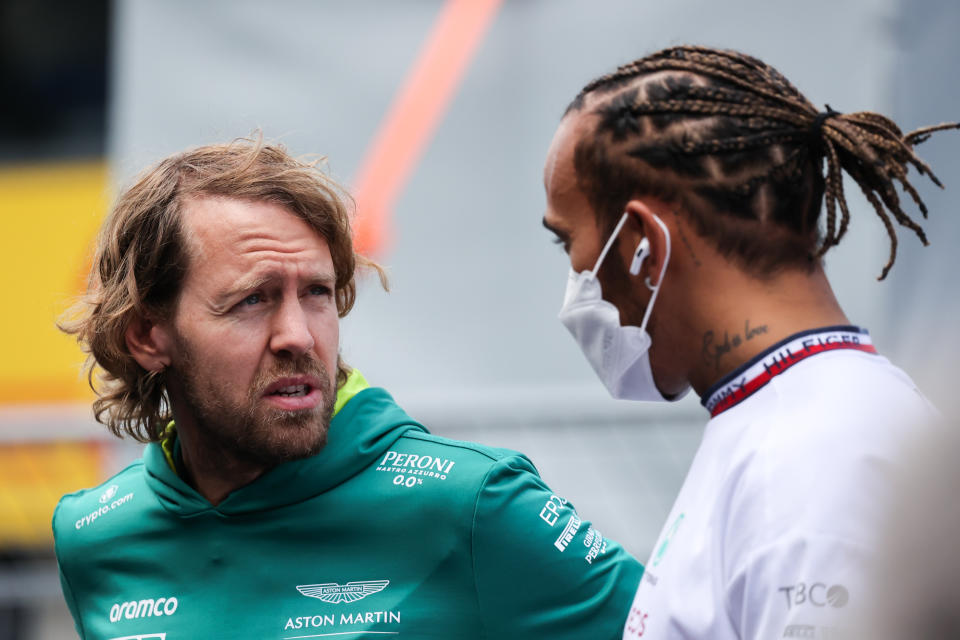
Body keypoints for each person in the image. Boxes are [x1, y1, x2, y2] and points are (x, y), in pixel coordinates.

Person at [53, 138, 642, 640]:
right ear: (147, 336)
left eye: (316, 293)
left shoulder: (474, 503)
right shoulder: (93, 535)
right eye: (252, 300)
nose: (298, 336)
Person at [541, 46, 957, 640]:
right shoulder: (788, 422)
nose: (574, 282)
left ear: (642, 246)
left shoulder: (813, 464)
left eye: (567, 244)